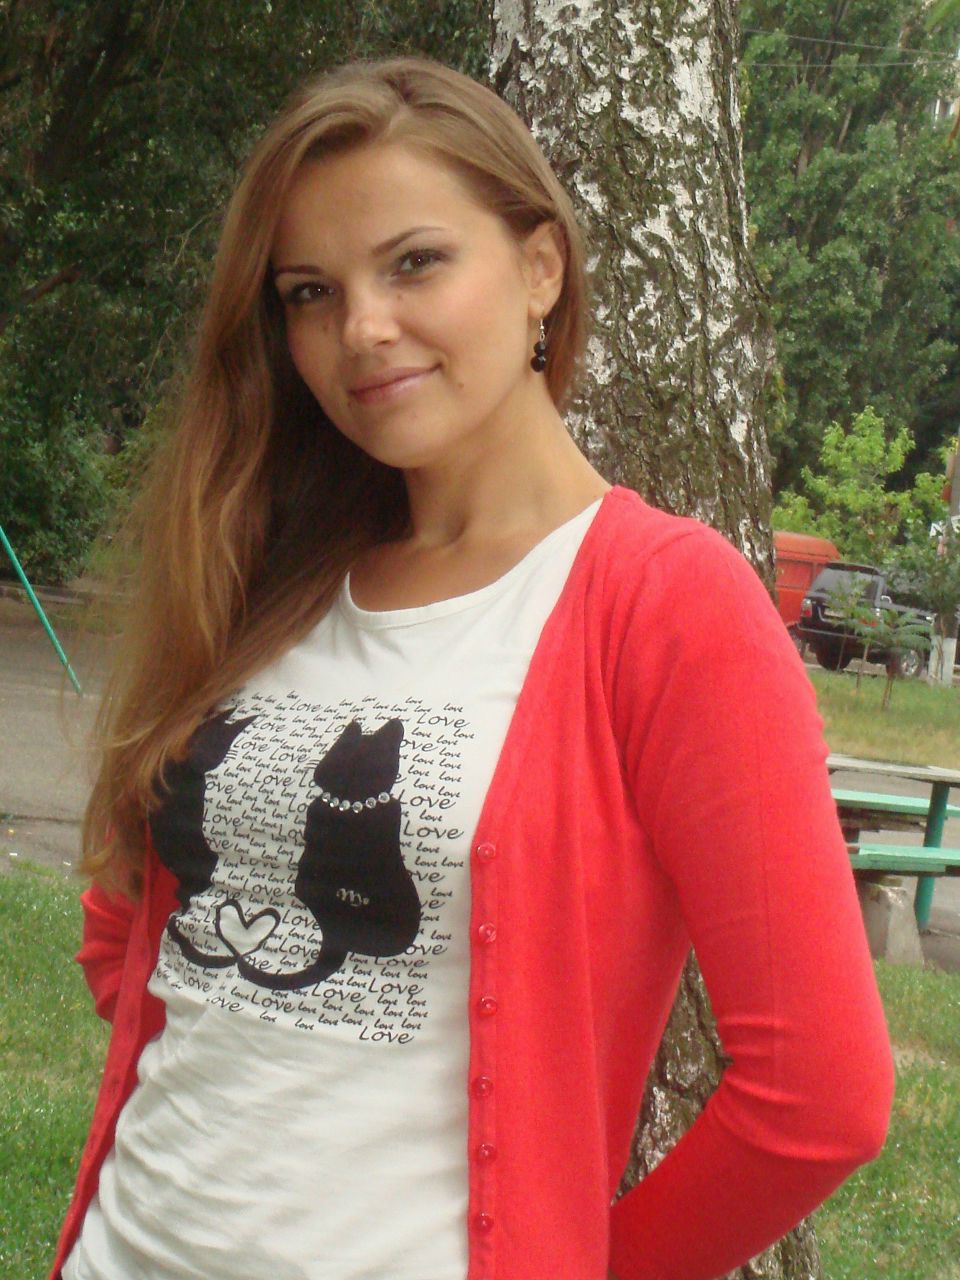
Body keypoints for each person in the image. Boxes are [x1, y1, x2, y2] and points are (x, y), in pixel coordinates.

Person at [53, 55, 894, 1280]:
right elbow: (133, 928)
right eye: (309, 292)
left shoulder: (665, 606)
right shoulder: (271, 573)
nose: (361, 328)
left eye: (414, 262)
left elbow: (820, 1098)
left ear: (540, 266)